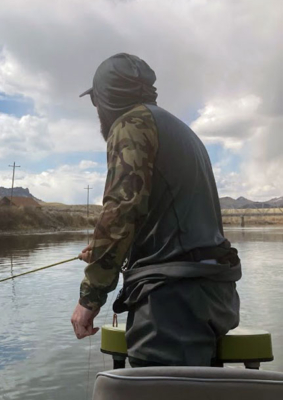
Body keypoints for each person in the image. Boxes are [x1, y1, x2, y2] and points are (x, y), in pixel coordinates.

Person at [70, 53, 242, 367]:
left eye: (96, 101)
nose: (98, 112)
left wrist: (90, 297)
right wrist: (101, 251)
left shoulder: (130, 124)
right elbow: (165, 218)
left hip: (173, 303)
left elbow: (121, 209)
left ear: (107, 98)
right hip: (213, 292)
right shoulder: (180, 130)